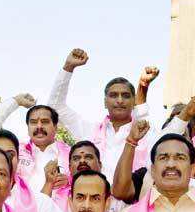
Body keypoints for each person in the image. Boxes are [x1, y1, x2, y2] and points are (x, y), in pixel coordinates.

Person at [47, 48, 186, 182]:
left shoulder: (145, 133)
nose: (120, 100)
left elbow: (169, 136)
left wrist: (188, 113)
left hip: (134, 203)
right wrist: (68, 67)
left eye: (125, 96)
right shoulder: (88, 131)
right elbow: (55, 107)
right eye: (113, 95)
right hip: (94, 202)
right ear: (105, 102)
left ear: (133, 102)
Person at [111, 94, 195, 203]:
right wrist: (131, 141)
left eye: (180, 156)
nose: (171, 163)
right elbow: (120, 191)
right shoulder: (146, 176)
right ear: (153, 166)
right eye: (164, 156)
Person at [0, 93, 71, 195]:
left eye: (45, 121)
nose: (39, 126)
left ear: (56, 127)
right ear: (28, 126)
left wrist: (70, 182)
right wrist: (16, 101)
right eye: (33, 122)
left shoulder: (71, 154)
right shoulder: (14, 150)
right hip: (18, 209)